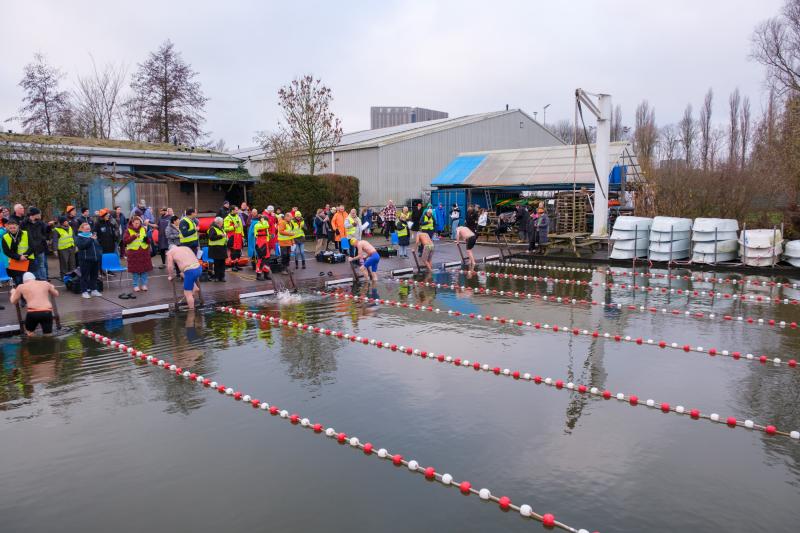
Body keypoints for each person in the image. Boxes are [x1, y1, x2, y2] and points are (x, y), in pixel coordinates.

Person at [166, 245, 202, 310]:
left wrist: (170, 276)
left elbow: (170, 266)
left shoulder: (170, 252)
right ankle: (195, 287)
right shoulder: (186, 247)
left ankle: (191, 311)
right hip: (199, 268)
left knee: (187, 293)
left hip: (190, 271)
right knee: (182, 273)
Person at [123, 217, 153, 292]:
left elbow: (146, 238)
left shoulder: (143, 229)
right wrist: (134, 236)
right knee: (135, 271)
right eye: (136, 223)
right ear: (132, 223)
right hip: (134, 254)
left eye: (139, 223)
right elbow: (125, 241)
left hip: (144, 252)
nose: (137, 224)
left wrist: (148, 241)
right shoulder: (128, 230)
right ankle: (135, 285)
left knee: (144, 270)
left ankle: (144, 285)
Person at [22, 207, 52, 280]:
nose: (40, 215)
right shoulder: (24, 223)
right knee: (33, 266)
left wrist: (49, 227)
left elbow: (46, 232)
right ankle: (35, 280)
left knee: (41, 265)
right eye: (38, 214)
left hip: (40, 247)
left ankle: (44, 280)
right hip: (30, 249)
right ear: (34, 214)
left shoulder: (40, 223)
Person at [2, 219, 34, 286]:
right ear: (7, 228)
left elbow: (32, 246)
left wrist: (25, 256)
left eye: (14, 228)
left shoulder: (26, 233)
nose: (12, 229)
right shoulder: (5, 237)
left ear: (18, 226)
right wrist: (19, 257)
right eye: (10, 228)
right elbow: (6, 251)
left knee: (29, 281)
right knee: (18, 281)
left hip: (27, 260)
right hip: (15, 261)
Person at [75, 222, 103, 299]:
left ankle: (94, 290)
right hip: (85, 260)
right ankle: (84, 291)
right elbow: (82, 246)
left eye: (89, 228)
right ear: (82, 229)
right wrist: (91, 239)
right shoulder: (79, 237)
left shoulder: (92, 236)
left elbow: (97, 246)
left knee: (94, 276)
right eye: (86, 229)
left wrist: (99, 254)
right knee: (84, 276)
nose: (88, 230)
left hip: (95, 259)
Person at [207, 216, 228, 282]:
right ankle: (217, 277)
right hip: (216, 249)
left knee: (222, 263)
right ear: (218, 223)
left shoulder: (221, 229)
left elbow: (224, 236)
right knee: (217, 264)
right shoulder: (212, 229)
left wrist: (226, 239)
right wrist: (221, 236)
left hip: (222, 248)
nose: (223, 223)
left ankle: (222, 277)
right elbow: (211, 237)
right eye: (222, 222)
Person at [252, 211, 272, 280]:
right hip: (260, 244)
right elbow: (266, 225)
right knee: (261, 259)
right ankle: (259, 275)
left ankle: (266, 274)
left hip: (265, 244)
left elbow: (267, 228)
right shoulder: (257, 225)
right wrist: (263, 221)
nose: (267, 222)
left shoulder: (264, 225)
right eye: (265, 220)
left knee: (267, 259)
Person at [224, 206, 244, 270]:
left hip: (239, 236)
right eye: (236, 210)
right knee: (233, 252)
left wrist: (242, 235)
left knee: (238, 251)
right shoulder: (227, 218)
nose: (237, 211)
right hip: (232, 237)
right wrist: (233, 227)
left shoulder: (238, 217)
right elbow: (225, 229)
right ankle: (233, 266)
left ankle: (236, 265)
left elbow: (241, 227)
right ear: (232, 210)